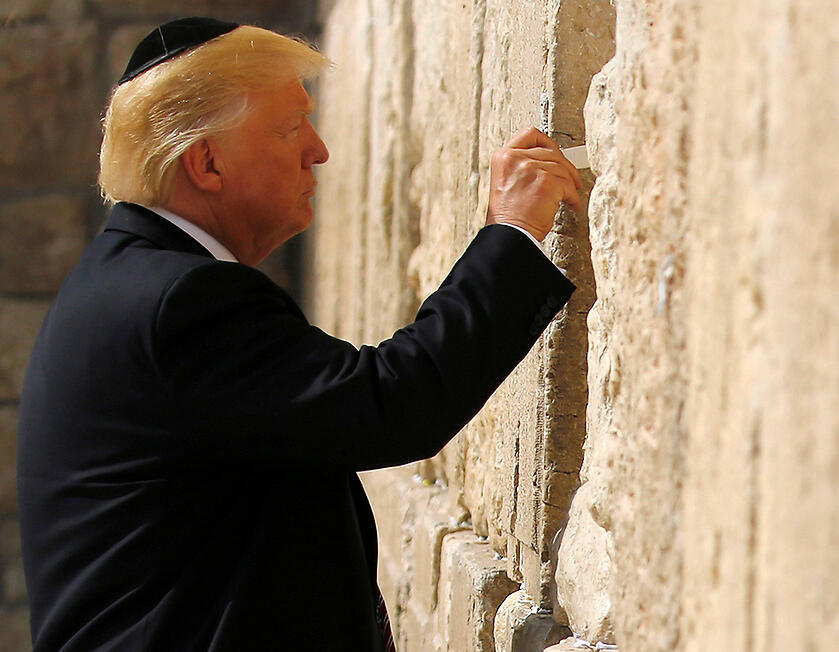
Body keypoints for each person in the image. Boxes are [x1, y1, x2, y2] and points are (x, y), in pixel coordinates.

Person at [16, 16, 583, 652]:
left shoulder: (129, 283)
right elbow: (390, 403)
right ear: (207, 162)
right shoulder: (179, 302)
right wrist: (513, 234)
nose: (318, 150)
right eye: (291, 127)